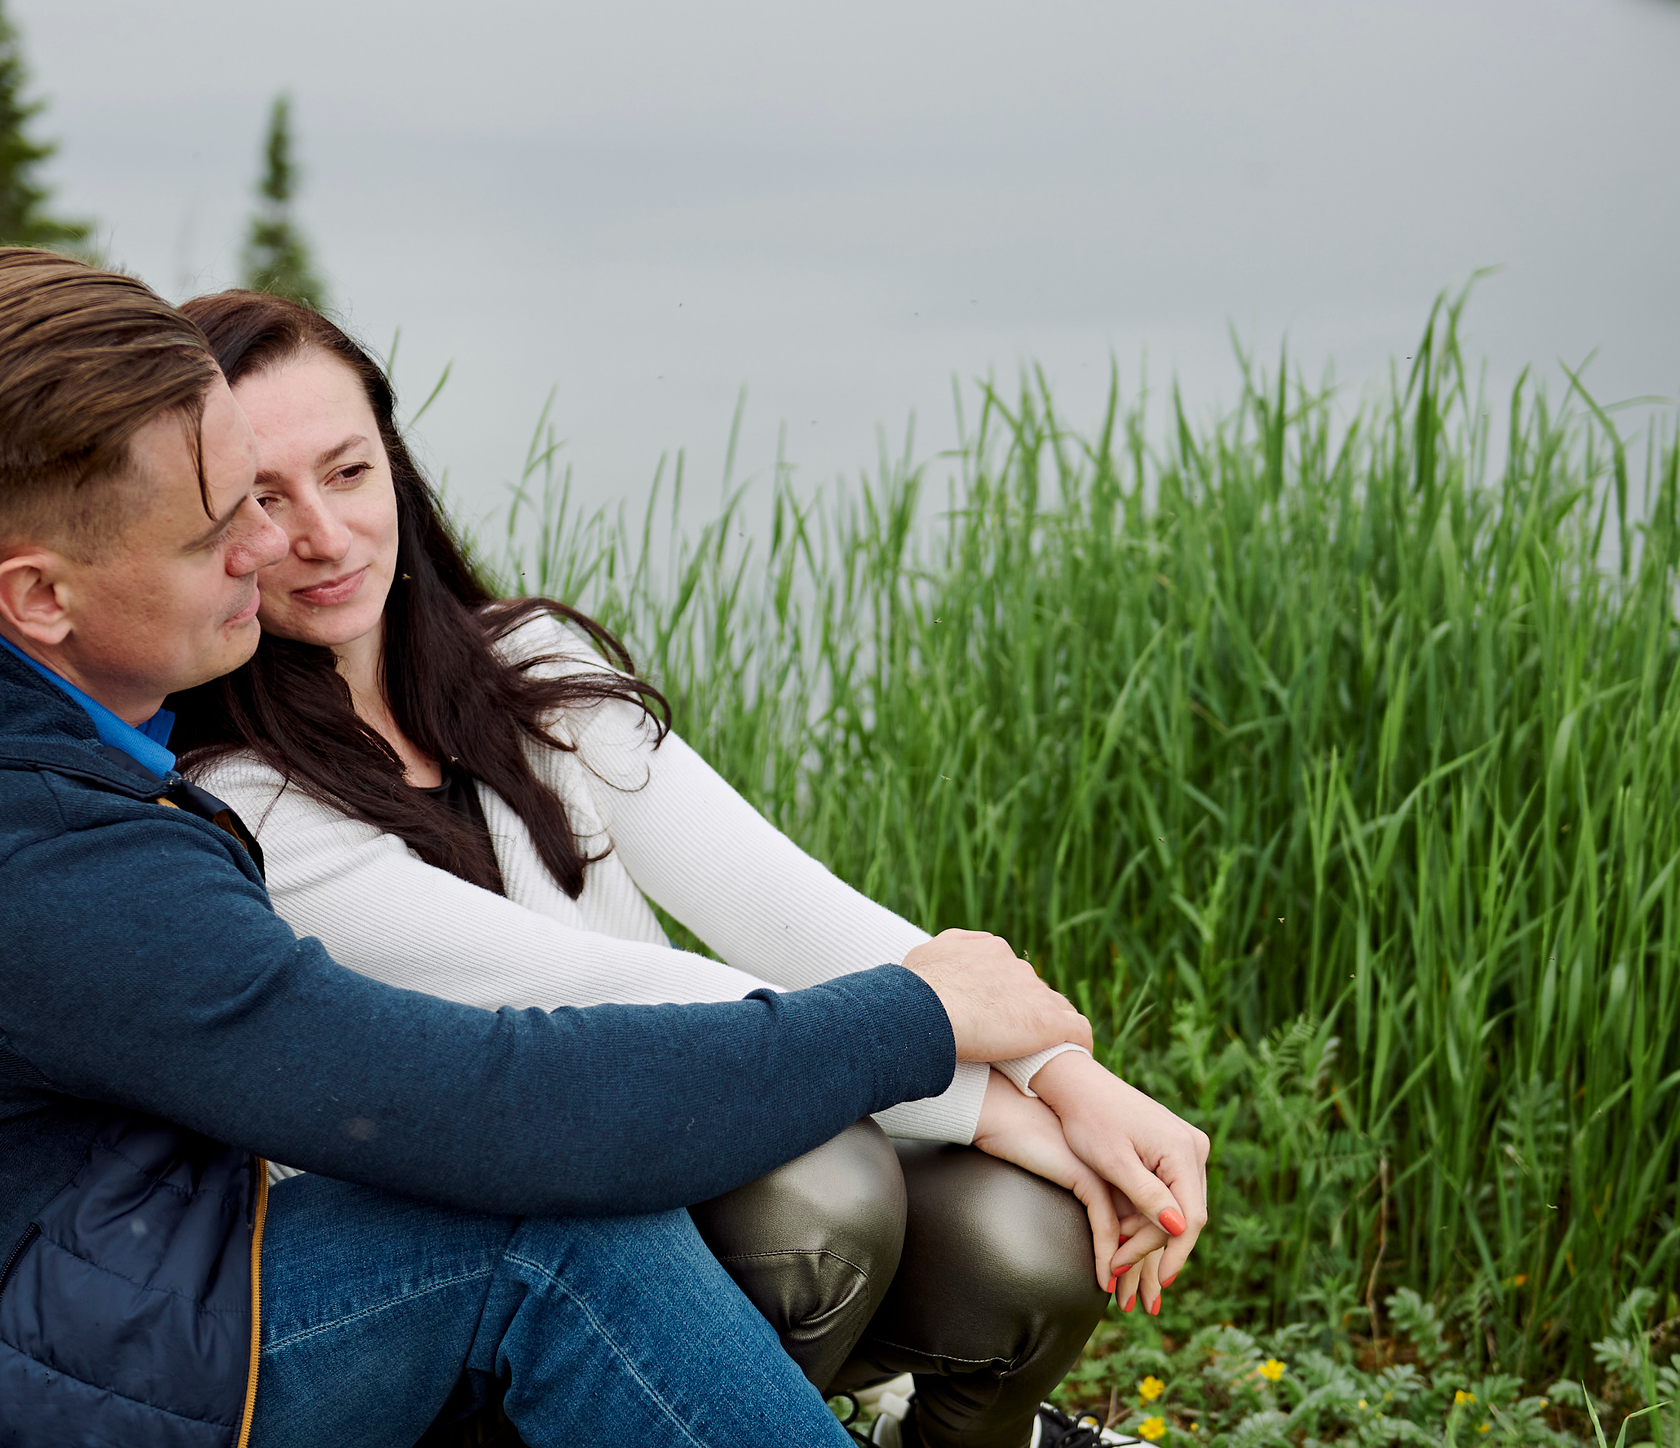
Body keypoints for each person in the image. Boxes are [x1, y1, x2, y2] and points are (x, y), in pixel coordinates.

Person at [0, 247, 1103, 1448]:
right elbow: (476, 1098)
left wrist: (1015, 1063)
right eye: (219, 524)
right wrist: (913, 1023)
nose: (272, 549)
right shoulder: (36, 860)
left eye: (295, 480)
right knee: (549, 1235)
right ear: (40, 593)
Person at [167, 291, 1213, 1448]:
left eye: (349, 472)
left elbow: (786, 906)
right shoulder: (232, 799)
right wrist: (978, 1097)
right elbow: (606, 1003)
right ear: (203, 522)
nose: (322, 533)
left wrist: (1066, 1077)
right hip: (462, 1279)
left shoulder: (532, 668)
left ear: (397, 468)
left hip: (662, 1166)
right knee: (822, 1191)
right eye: (264, 498)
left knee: (1025, 1236)